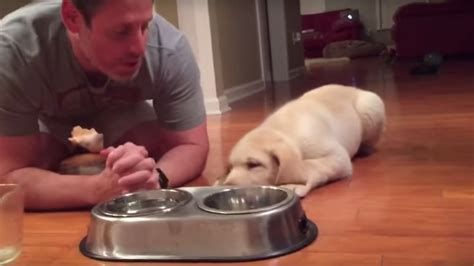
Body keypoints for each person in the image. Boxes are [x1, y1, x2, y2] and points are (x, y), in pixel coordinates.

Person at [0, 0, 209, 210]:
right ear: (73, 18)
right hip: (46, 119)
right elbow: (6, 179)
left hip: (120, 115)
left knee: (148, 145)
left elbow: (191, 146)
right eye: (121, 31)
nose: (139, 47)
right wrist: (96, 189)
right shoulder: (12, 51)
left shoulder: (169, 49)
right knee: (40, 155)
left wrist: (155, 178)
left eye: (145, 26)